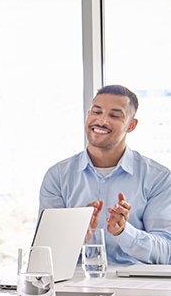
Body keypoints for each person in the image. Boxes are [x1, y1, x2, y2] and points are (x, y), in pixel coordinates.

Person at [39, 84, 171, 265]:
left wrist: (124, 232)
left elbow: (166, 253)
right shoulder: (57, 176)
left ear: (131, 125)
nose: (101, 121)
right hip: (76, 280)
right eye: (96, 112)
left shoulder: (158, 178)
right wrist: (76, 236)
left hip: (135, 281)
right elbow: (44, 252)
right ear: (88, 115)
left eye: (114, 115)